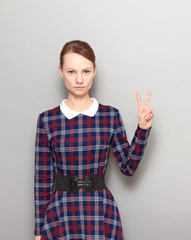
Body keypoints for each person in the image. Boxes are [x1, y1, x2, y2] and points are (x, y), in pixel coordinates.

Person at [34, 40, 153, 240]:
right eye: (72, 72)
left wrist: (143, 129)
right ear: (61, 71)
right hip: (60, 214)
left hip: (100, 211)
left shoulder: (110, 116)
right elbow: (42, 179)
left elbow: (128, 167)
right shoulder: (47, 120)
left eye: (86, 71)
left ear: (94, 71)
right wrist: (38, 232)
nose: (79, 79)